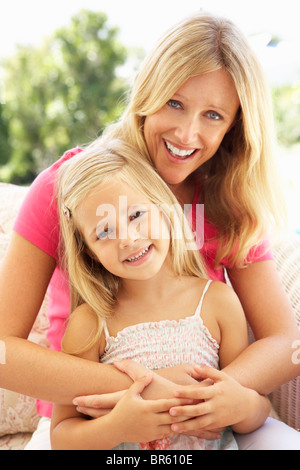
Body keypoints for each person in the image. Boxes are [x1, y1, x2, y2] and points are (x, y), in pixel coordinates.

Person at [0, 11, 299, 450]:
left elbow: (285, 341)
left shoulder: (227, 198)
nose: (187, 132)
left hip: (210, 415)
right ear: (147, 91)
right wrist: (142, 390)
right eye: (174, 102)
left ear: (235, 124)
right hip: (93, 421)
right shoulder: (67, 186)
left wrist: (194, 400)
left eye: (214, 115)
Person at [50, 138, 270, 450]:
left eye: (136, 214)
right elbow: (62, 438)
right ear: (90, 252)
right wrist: (117, 426)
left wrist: (243, 406)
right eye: (104, 232)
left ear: (162, 207)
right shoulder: (90, 324)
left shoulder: (218, 302)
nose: (127, 238)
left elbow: (255, 406)